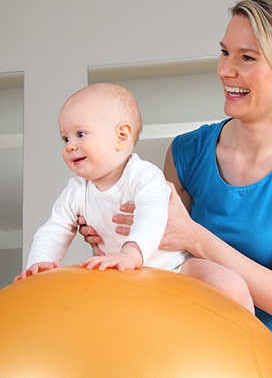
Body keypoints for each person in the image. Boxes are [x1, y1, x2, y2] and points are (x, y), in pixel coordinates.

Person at [79, 0, 272, 377]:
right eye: (225, 52)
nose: (225, 70)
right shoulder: (187, 152)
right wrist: (112, 232)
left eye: (247, 58)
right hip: (214, 352)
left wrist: (194, 236)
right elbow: (170, 265)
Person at [14, 83, 188, 280]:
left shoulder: (144, 175)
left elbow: (151, 216)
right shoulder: (76, 190)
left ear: (121, 136)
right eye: (65, 138)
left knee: (213, 274)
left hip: (175, 266)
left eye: (80, 134)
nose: (70, 146)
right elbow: (54, 229)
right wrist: (39, 262)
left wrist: (130, 254)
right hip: (125, 273)